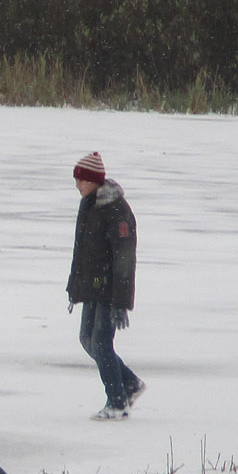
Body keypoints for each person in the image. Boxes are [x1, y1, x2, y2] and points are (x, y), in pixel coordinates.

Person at [67, 151, 143, 421]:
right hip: (92, 286)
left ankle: (117, 401)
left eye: (80, 180)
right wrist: (74, 288)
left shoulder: (116, 210)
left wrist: (121, 302)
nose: (77, 185)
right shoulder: (90, 205)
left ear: (92, 180)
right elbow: (82, 252)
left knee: (100, 343)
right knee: (87, 340)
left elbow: (124, 257)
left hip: (110, 289)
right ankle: (130, 383)